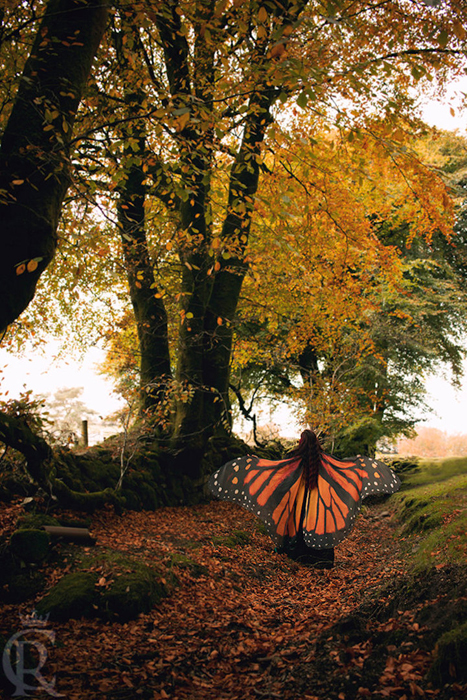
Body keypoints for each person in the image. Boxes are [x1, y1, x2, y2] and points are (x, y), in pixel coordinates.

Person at [209, 429, 400, 568]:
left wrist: (256, 465)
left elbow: (276, 473)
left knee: (295, 522)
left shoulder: (294, 458)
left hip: (298, 502)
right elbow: (349, 471)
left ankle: (297, 555)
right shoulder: (324, 459)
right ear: (316, 442)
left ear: (301, 442)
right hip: (320, 503)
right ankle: (321, 558)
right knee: (319, 522)